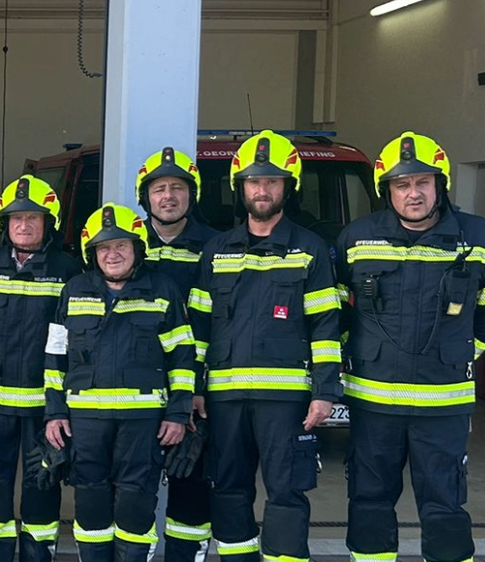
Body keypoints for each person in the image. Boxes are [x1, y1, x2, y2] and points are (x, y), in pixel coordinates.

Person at [187, 130, 342, 562]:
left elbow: (325, 327)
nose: (262, 189)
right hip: (225, 398)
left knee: (287, 493)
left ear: (287, 187)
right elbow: (197, 327)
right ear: (241, 188)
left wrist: (325, 392)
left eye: (272, 181)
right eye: (254, 181)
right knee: (229, 490)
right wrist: (194, 389)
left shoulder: (309, 251)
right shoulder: (216, 251)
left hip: (286, 400)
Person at [336, 132, 480, 562]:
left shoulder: (477, 239)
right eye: (402, 185)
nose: (413, 193)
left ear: (440, 185)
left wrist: (464, 350)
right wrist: (358, 351)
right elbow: (335, 311)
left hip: (444, 402)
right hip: (373, 402)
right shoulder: (356, 238)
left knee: (445, 506)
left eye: (422, 182)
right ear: (388, 191)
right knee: (369, 502)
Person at [45, 203, 193, 562]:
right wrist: (53, 412)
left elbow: (183, 357)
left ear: (137, 248)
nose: (112, 254)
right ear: (91, 253)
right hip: (85, 422)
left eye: (121, 245)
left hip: (142, 423)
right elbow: (55, 359)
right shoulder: (74, 289)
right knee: (90, 503)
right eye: (103, 247)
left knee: (136, 503)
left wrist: (177, 413)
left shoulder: (163, 290)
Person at [0, 175, 81, 562]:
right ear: (4, 223)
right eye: (16, 218)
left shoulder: (68, 270)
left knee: (42, 483)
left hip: (44, 406)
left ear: (47, 222)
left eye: (33, 217)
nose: (23, 225)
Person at [132, 147, 220, 560]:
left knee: (191, 488)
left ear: (192, 194)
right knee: (134, 488)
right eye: (159, 188)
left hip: (197, 390)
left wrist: (195, 391)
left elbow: (219, 324)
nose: (168, 196)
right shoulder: (122, 245)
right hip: (133, 387)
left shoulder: (218, 247)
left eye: (178, 188)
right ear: (145, 197)